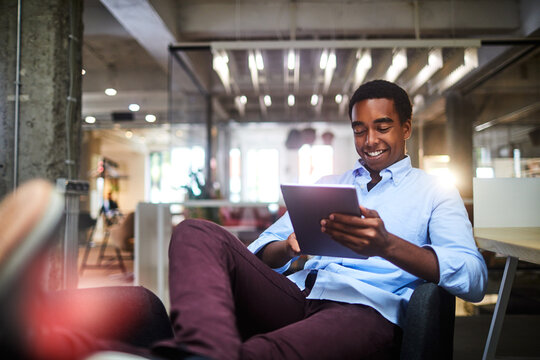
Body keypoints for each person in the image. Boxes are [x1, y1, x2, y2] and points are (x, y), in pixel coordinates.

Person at [0, 80, 487, 360]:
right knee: (193, 231)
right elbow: (262, 254)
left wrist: (385, 244)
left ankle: (48, 337)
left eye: (382, 126)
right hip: (299, 296)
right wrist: (293, 245)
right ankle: (204, 351)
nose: (369, 140)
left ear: (405, 127)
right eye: (359, 129)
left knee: (258, 354)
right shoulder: (328, 182)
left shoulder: (433, 190)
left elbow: (472, 276)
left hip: (366, 313)